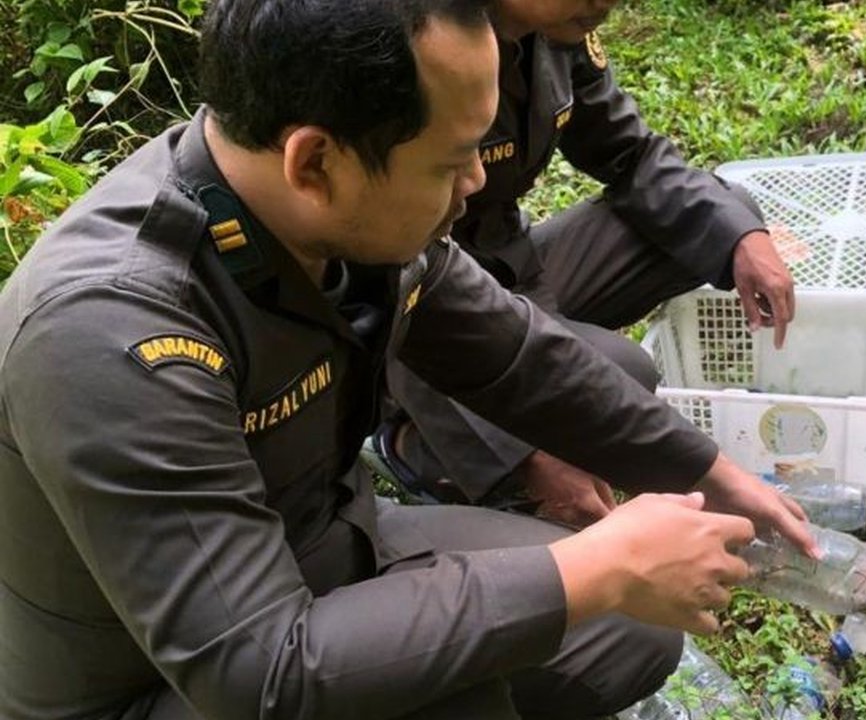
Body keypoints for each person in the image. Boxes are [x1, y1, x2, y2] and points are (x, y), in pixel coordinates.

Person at [0, 1, 815, 719]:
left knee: (623, 631)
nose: (474, 184)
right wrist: (596, 566)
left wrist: (708, 470)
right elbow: (260, 673)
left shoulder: (352, 221)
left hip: (324, 550)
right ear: (314, 162)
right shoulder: (111, 331)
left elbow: (520, 357)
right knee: (469, 683)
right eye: (449, 159)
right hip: (162, 683)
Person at [373, 0, 798, 527]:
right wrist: (526, 456)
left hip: (509, 260)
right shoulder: (411, 42)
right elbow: (388, 273)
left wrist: (740, 238)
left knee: (722, 215)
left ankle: (544, 360)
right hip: (409, 307)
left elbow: (630, 153)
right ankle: (415, 441)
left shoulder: (552, 34)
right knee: (620, 374)